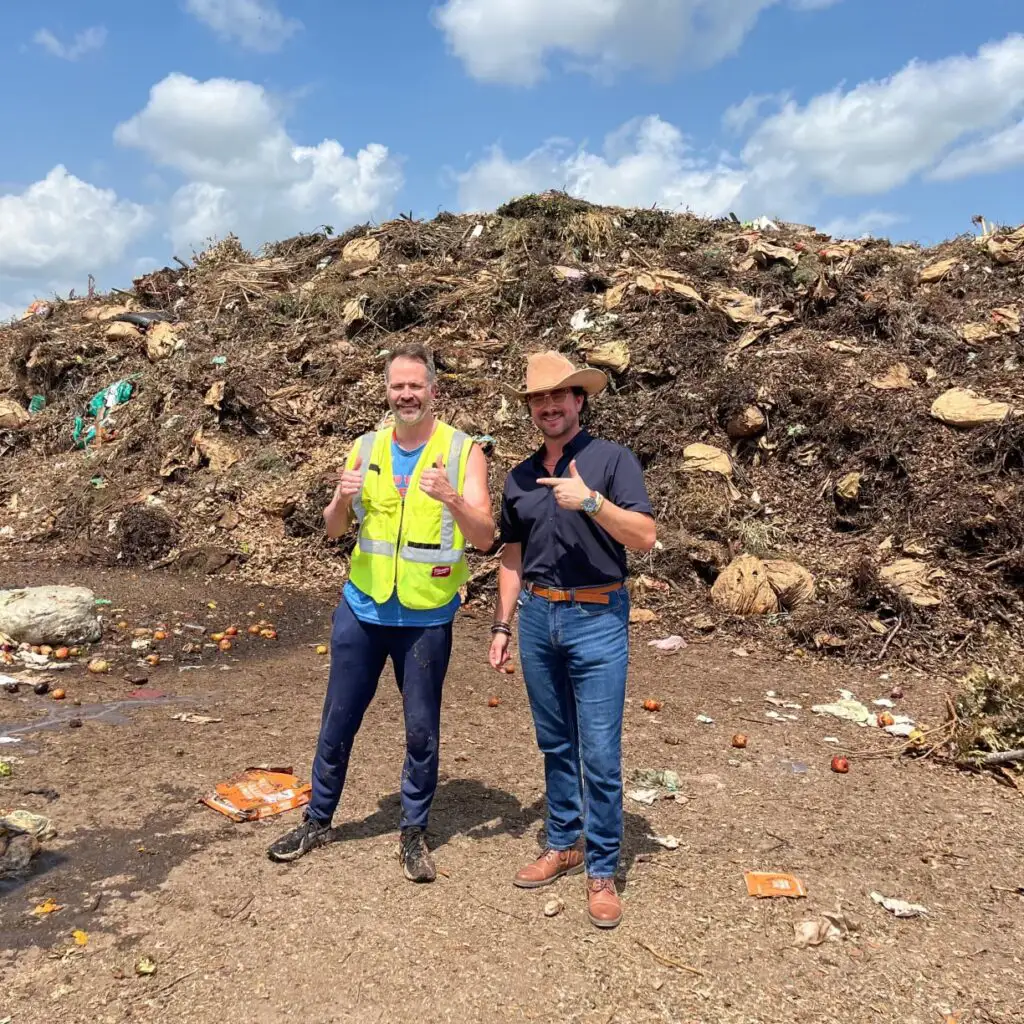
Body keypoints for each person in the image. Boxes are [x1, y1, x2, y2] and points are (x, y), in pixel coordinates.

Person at [269, 343, 495, 882]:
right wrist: (341, 501)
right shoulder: (365, 448)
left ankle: (413, 831)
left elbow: (485, 538)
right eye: (398, 386)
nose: (407, 394)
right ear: (387, 391)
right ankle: (318, 820)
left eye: (416, 385)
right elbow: (333, 531)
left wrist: (453, 500)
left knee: (421, 729)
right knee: (337, 721)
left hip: (426, 616)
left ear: (434, 390)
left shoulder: (465, 453)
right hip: (362, 609)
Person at [489, 351, 656, 929]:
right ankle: (564, 842)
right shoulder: (518, 476)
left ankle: (603, 867)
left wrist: (590, 502)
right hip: (537, 618)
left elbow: (645, 537)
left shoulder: (613, 461)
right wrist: (502, 625)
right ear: (531, 409)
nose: (549, 406)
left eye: (559, 396)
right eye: (539, 399)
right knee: (556, 742)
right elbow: (511, 556)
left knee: (601, 754)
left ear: (579, 401)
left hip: (598, 617)